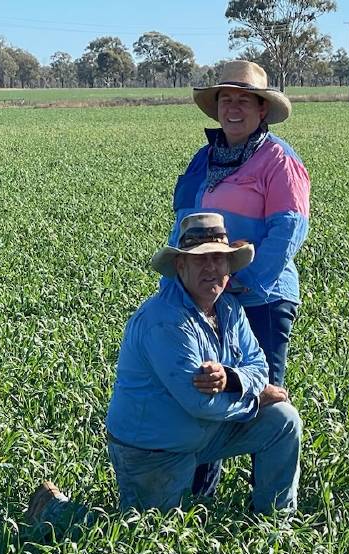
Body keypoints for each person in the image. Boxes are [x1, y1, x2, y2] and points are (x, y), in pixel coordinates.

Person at [28, 213, 302, 522]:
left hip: (202, 433)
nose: (211, 268)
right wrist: (255, 397)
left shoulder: (229, 307)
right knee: (142, 537)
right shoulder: (165, 321)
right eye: (201, 260)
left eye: (219, 258)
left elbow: (258, 365)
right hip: (153, 449)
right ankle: (54, 510)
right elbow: (199, 402)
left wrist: (233, 379)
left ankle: (275, 523)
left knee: (282, 420)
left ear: (229, 265)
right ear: (181, 266)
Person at [170, 60, 311, 496]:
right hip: (207, 296)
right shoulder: (203, 159)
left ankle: (267, 505)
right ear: (216, 108)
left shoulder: (278, 159)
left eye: (243, 100)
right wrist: (178, 284)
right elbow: (182, 224)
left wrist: (250, 280)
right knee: (205, 385)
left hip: (261, 297)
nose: (233, 108)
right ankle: (198, 497)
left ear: (262, 109)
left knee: (262, 396)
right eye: (225, 99)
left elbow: (289, 227)